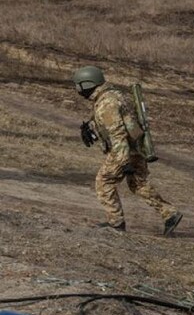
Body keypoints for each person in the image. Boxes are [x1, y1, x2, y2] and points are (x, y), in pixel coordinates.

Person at [72, 66, 182, 235]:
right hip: (135, 148)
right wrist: (92, 127)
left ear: (87, 84)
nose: (78, 90)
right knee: (137, 183)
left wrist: (123, 161)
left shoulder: (106, 103)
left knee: (104, 181)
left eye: (79, 86)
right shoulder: (113, 95)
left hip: (124, 150)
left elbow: (118, 133)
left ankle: (116, 223)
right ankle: (170, 213)